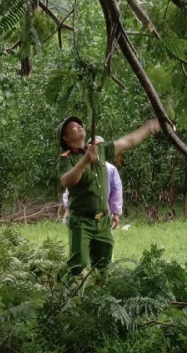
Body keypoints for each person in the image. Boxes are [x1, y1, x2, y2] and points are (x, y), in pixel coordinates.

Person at [57, 116, 159, 274]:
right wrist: (84, 161)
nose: (78, 126)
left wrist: (148, 127)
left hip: (103, 221)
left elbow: (127, 142)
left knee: (104, 266)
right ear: (66, 137)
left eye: (79, 124)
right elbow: (67, 181)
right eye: (72, 126)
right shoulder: (66, 159)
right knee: (79, 265)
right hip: (81, 221)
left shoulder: (99, 149)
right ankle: (64, 293)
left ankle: (99, 295)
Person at [62, 136, 123, 230]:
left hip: (103, 213)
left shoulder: (110, 169)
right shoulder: (81, 165)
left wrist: (116, 213)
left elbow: (116, 191)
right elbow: (71, 187)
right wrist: (67, 208)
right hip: (82, 214)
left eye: (100, 146)